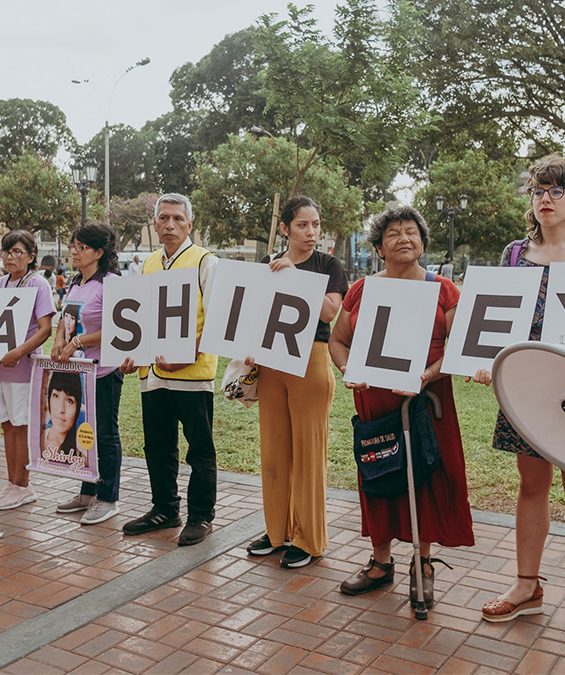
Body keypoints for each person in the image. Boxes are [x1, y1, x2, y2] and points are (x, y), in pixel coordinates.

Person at [328, 205, 474, 606]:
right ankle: (380, 562)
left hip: (428, 402)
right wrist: (346, 369)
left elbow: (461, 347)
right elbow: (338, 341)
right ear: (378, 248)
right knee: (379, 475)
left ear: (423, 244)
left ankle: (422, 563)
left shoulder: (443, 289)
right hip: (374, 403)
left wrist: (428, 374)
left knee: (427, 476)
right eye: (393, 233)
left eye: (411, 232)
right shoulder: (361, 290)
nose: (403, 239)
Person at [480, 154, 565, 622]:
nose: (545, 198)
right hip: (527, 389)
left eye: (556, 189)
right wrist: (482, 362)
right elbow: (495, 322)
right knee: (532, 484)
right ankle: (527, 586)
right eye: (538, 190)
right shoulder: (514, 254)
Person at [245, 195, 349, 568]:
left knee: (309, 455)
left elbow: (329, 311)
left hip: (311, 360)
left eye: (315, 225)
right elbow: (257, 311)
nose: (311, 232)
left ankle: (308, 539)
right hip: (272, 361)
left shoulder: (328, 265)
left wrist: (294, 275)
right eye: (303, 225)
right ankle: (277, 532)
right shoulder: (267, 264)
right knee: (274, 453)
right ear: (285, 228)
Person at [121, 193, 218, 546]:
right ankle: (164, 508)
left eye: (177, 218)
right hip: (153, 375)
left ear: (190, 224)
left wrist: (186, 356)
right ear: (154, 223)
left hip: (192, 376)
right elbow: (140, 319)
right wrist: (132, 353)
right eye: (163, 218)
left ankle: (201, 516)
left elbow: (218, 320)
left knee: (199, 449)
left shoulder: (205, 261)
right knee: (158, 446)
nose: (170, 225)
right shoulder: (148, 263)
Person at [52, 223, 123, 525]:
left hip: (104, 370)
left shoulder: (111, 284)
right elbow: (65, 318)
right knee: (85, 431)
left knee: (105, 433)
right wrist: (59, 340)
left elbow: (119, 328)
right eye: (73, 245)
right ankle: (87, 491)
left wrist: (78, 342)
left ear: (99, 252)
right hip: (78, 371)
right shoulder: (76, 282)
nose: (75, 251)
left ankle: (108, 497)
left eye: (82, 247)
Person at [0, 230, 56, 510]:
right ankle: (12, 482)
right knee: (7, 424)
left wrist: (19, 352)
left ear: (31, 256)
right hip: (3, 368)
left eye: (17, 252)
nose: (10, 257)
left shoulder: (38, 284)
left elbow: (45, 329)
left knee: (21, 425)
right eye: (6, 251)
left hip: (23, 368)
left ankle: (23, 484)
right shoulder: (2, 283)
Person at [42, 371, 84, 465]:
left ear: (77, 408)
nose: (61, 409)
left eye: (69, 401)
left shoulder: (82, 452)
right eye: (56, 396)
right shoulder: (37, 440)